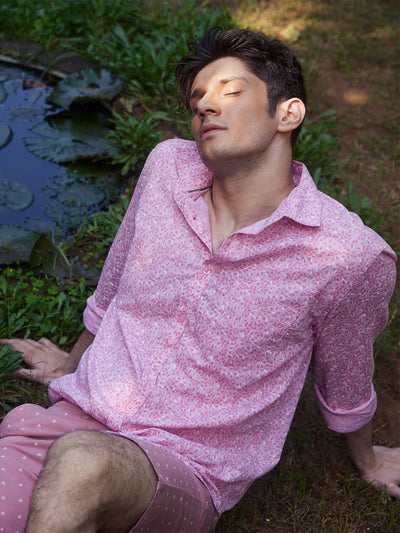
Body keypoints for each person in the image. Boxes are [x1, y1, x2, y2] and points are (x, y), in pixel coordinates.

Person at [1, 27, 399, 533]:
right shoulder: (167, 166)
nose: (207, 105)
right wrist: (72, 363)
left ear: (288, 113)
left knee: (84, 463)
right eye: (197, 100)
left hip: (184, 467)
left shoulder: (347, 256)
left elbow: (344, 375)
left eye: (230, 91)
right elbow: (118, 278)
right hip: (72, 421)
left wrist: (367, 460)